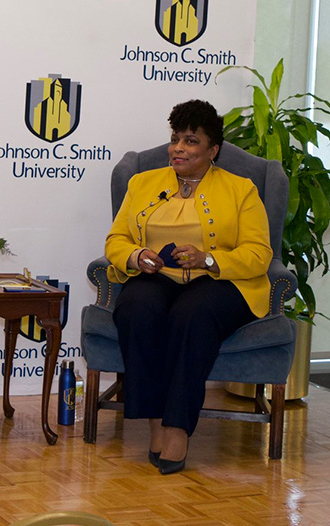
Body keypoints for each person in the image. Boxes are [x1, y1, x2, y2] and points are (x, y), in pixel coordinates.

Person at [104, 100, 273, 475]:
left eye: (191, 141)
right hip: (158, 276)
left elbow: (259, 254)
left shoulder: (241, 190)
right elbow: (116, 239)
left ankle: (177, 427)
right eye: (175, 139)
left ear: (212, 150)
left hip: (220, 281)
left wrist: (208, 259)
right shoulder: (142, 182)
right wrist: (136, 256)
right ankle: (154, 421)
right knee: (136, 309)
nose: (178, 148)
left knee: (191, 315)